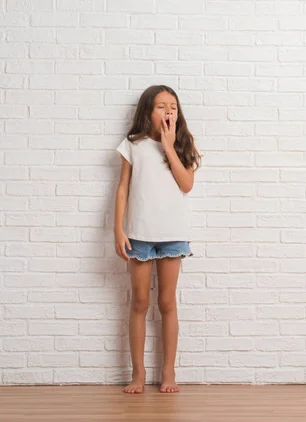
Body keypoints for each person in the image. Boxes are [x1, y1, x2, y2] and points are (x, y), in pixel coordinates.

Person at [113, 85, 201, 394]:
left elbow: (186, 184)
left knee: (167, 302)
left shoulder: (182, 144)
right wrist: (118, 229)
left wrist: (168, 145)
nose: (168, 111)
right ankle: (137, 373)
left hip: (172, 235)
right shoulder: (133, 145)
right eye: (161, 106)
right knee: (139, 302)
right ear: (147, 110)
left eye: (173, 106)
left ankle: (169, 372)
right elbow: (122, 188)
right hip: (139, 235)